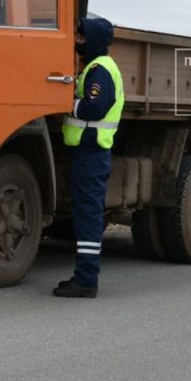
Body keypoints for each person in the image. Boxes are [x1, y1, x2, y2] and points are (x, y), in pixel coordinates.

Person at [53, 16, 125, 298]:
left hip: (91, 153)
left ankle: (86, 280)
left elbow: (94, 108)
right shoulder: (94, 69)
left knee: (88, 216)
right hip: (88, 152)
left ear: (93, 40)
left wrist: (65, 102)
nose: (78, 42)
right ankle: (84, 277)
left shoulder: (100, 71)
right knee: (86, 214)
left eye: (82, 38)